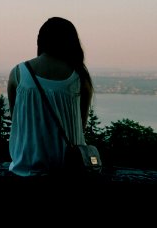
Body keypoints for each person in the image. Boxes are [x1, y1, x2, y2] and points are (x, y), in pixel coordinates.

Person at [7, 17, 93, 177]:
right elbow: (81, 125)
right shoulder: (79, 77)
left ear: (41, 41)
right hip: (69, 172)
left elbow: (17, 122)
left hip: (25, 170)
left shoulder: (19, 74)